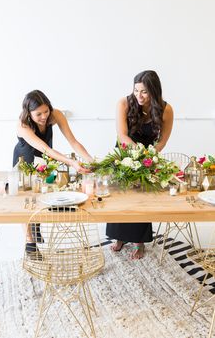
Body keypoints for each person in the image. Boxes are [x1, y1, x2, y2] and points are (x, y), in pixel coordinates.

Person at [13, 89, 93, 256]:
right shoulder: (23, 125)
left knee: (44, 196)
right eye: (38, 114)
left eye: (46, 111)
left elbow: (74, 142)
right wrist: (71, 162)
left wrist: (91, 160)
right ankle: (30, 244)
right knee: (26, 200)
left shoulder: (55, 115)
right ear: (28, 113)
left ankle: (36, 230)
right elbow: (46, 149)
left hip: (45, 159)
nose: (44, 117)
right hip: (25, 160)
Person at [106, 70, 173, 260]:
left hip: (147, 157)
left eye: (144, 91)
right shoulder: (124, 103)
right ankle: (118, 238)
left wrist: (149, 157)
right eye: (136, 91)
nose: (139, 96)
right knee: (120, 197)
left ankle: (139, 242)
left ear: (154, 91)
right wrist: (138, 154)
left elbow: (162, 141)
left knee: (141, 199)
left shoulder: (166, 109)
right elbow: (123, 135)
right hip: (125, 152)